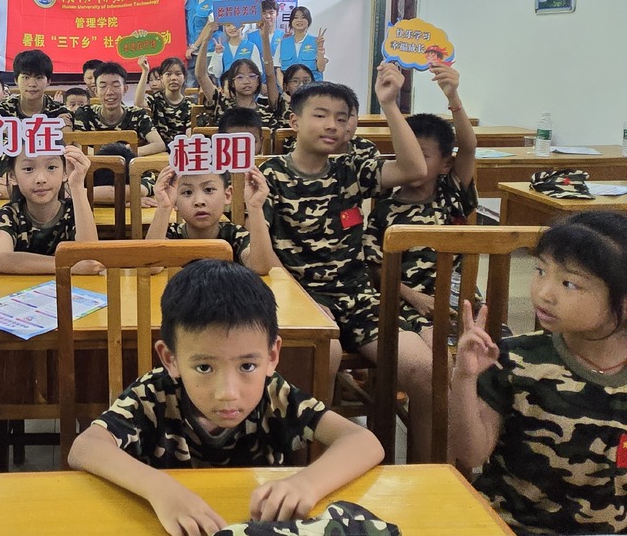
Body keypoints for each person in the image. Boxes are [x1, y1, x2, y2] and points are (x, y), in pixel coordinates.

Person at [69, 260, 383, 534]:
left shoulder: (275, 394)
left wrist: (306, 483)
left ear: (272, 355)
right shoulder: (153, 394)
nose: (228, 392)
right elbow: (86, 446)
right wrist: (159, 488)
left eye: (247, 366)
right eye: (204, 367)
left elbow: (363, 441)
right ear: (171, 359)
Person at [258, 65, 437, 461]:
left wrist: (389, 104)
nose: (332, 125)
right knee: (327, 357)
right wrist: (299, 300)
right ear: (294, 121)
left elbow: (414, 168)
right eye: (321, 115)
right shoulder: (269, 174)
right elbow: (262, 257)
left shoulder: (351, 168)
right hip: (299, 297)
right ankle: (316, 464)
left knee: (423, 368)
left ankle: (425, 470)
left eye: (342, 118)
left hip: (358, 297)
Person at [450, 212, 627, 535]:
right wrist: (464, 378)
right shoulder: (514, 359)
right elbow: (470, 453)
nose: (544, 292)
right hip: (508, 527)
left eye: (569, 283)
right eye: (540, 270)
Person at [363, 65, 477, 346]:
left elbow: (468, 147)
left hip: (459, 299)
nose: (412, 162)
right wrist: (414, 297)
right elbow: (375, 269)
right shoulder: (385, 209)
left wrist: (453, 97)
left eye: (422, 155)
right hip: (406, 302)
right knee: (432, 346)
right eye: (407, 153)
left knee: (489, 346)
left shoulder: (452, 193)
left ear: (445, 165)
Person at [0, 146, 101, 274]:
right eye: (28, 169)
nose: (41, 179)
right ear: (12, 176)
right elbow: (3, 259)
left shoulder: (75, 211)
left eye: (51, 167)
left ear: (65, 172)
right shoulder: (9, 214)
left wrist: (77, 185)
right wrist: (70, 266)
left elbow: (91, 258)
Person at [146, 165, 272, 274]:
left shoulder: (235, 235)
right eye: (187, 192)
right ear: (175, 200)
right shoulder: (170, 235)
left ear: (227, 195)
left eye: (209, 190)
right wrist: (164, 207)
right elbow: (151, 267)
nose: (199, 201)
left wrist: (255, 208)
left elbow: (260, 268)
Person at [72, 62, 166, 156]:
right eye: (103, 86)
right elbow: (76, 144)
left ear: (125, 89)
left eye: (116, 85)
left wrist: (125, 152)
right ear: (96, 91)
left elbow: (159, 144)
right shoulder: (85, 113)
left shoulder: (137, 114)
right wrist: (109, 155)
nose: (109, 92)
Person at [0, 50, 72, 126]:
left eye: (39, 77)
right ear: (16, 80)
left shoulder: (60, 111)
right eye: (26, 77)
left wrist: (63, 126)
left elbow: (68, 133)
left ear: (48, 81)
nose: (32, 84)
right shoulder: (3, 109)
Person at [134, 56, 191, 148]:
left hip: (182, 150)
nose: (173, 78)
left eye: (178, 74)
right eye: (168, 74)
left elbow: (190, 135)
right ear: (161, 78)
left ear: (184, 77)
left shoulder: (189, 104)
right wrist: (145, 71)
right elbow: (139, 104)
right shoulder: (156, 99)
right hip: (158, 150)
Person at [184, 0, 223, 85]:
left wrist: (194, 46)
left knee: (208, 86)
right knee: (190, 88)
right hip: (191, 53)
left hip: (208, 52)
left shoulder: (217, 2)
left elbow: (209, 27)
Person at [273, 6, 327, 82]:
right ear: (291, 21)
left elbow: (321, 68)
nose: (299, 20)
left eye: (303, 17)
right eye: (296, 17)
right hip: (290, 87)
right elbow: (278, 70)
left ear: (308, 21)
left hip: (312, 87)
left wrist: (320, 49)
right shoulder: (283, 43)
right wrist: (284, 87)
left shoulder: (316, 41)